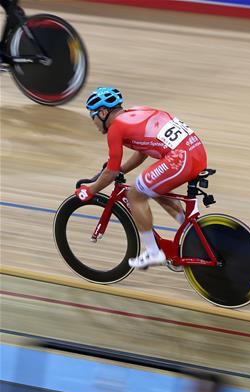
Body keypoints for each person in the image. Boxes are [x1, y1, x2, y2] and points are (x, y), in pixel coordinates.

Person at [76, 86, 208, 269]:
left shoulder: (116, 128)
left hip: (180, 158)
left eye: (93, 116)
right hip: (196, 152)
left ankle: (154, 253)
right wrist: (123, 169)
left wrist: (89, 191)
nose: (94, 122)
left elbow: (110, 173)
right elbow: (142, 152)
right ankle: (192, 236)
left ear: (104, 112)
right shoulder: (137, 112)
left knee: (135, 194)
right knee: (151, 188)